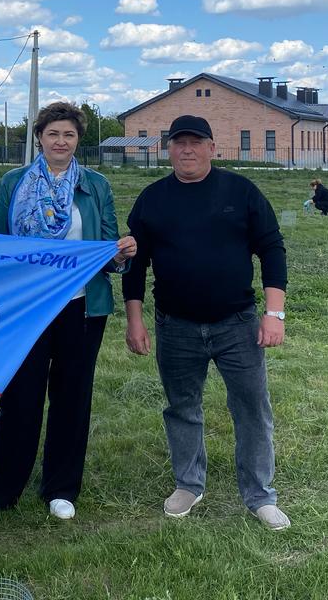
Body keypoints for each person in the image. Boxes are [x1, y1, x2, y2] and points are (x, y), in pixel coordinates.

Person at [0, 102, 136, 528]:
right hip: (26, 311)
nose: (61, 142)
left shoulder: (96, 186)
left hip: (82, 308)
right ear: (39, 137)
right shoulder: (13, 183)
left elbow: (109, 247)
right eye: (53, 134)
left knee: (72, 399)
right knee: (19, 399)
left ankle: (61, 488)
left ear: (78, 141)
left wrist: (122, 254)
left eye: (70, 135)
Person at [123, 115, 291, 531]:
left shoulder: (241, 191)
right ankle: (189, 484)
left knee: (251, 407)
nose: (187, 150)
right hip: (175, 325)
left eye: (195, 142)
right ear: (168, 149)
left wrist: (274, 313)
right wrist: (134, 320)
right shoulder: (152, 198)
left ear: (212, 148)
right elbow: (134, 263)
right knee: (182, 407)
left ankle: (259, 495)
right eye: (179, 143)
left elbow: (272, 249)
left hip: (237, 323)